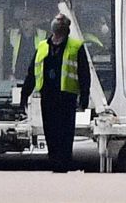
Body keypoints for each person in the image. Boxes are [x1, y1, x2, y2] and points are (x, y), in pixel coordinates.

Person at [19, 14, 91, 172]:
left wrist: (84, 96)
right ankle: (54, 160)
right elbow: (32, 72)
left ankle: (65, 161)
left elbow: (84, 73)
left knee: (65, 130)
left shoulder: (76, 46)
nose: (57, 23)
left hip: (66, 95)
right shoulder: (43, 46)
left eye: (60, 21)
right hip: (47, 94)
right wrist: (25, 95)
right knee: (50, 130)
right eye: (56, 20)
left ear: (66, 27)